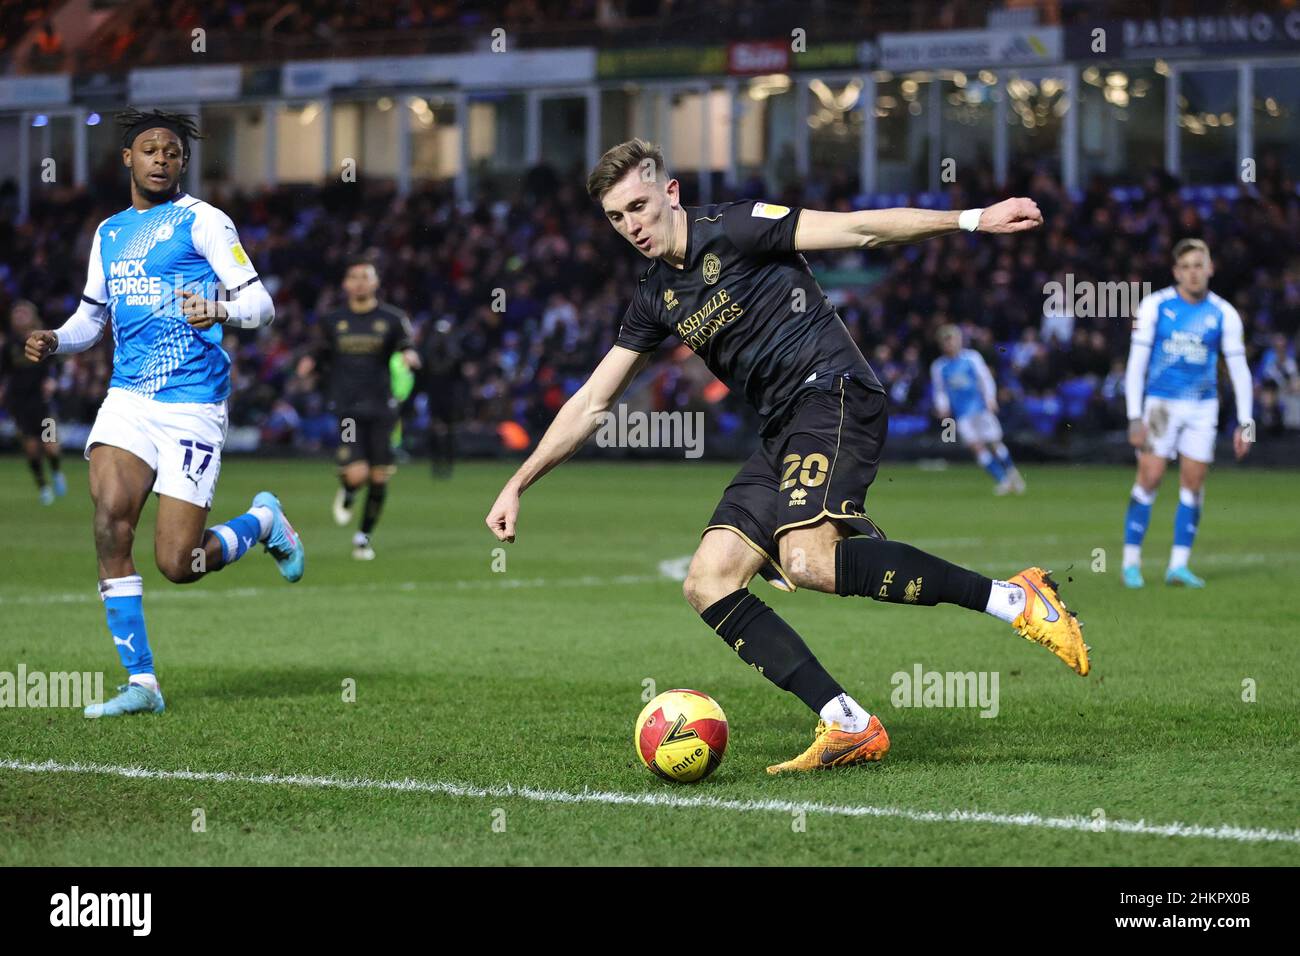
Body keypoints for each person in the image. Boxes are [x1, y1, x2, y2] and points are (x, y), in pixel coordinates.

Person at [486, 139, 1089, 775]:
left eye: (639, 205)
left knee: (806, 560)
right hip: (781, 429)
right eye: (616, 217)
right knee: (708, 580)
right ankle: (846, 723)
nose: (632, 226)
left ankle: (1017, 600)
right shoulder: (656, 297)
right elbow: (590, 401)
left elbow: (858, 229)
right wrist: (518, 482)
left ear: (670, 192)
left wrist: (969, 219)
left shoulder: (739, 227)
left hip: (833, 394)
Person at [23, 108, 304, 718]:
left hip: (192, 406)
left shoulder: (204, 221)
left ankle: (261, 523)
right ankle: (142, 683)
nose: (160, 159)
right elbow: (91, 318)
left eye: (171, 152)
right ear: (128, 158)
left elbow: (262, 305)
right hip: (128, 401)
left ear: (182, 162)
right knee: (108, 525)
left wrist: (220, 310)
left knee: (179, 563)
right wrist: (56, 338)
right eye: (149, 150)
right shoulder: (109, 233)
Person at [1121, 238, 1254, 588]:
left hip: (1202, 407)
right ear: (1176, 272)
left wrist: (1246, 422)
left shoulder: (1223, 313)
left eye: (1199, 265)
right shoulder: (1155, 306)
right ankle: (1130, 562)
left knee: (1193, 485)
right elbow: (1136, 365)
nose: (1193, 273)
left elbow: (1239, 370)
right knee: (1149, 478)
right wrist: (1134, 415)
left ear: (1210, 268)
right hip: (1161, 405)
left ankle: (1177, 566)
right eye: (1186, 267)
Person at [930, 324, 1024, 494]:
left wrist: (990, 399)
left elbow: (985, 379)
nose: (949, 344)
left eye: (951, 340)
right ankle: (1002, 480)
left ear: (959, 341)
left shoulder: (971, 358)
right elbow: (940, 390)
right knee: (976, 446)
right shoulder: (938, 366)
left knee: (994, 442)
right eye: (945, 341)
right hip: (962, 413)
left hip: (980, 408)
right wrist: (942, 407)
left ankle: (1012, 473)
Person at [1, 300, 66, 504]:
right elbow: (4, 372)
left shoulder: (43, 338)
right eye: (16, 313)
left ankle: (56, 472)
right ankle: (43, 487)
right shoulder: (10, 345)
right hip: (20, 404)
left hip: (43, 403)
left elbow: (58, 364)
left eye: (23, 312)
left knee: (50, 444)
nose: (19, 316)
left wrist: (53, 381)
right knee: (31, 448)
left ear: (32, 315)